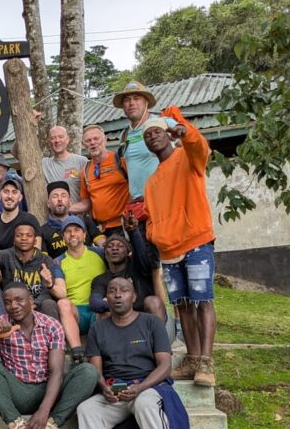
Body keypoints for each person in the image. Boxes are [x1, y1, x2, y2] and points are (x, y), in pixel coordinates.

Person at [78, 277, 194, 429]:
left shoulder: (151, 322)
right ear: (106, 298)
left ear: (134, 297)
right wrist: (104, 388)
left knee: (143, 404)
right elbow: (95, 369)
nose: (118, 295)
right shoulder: (99, 328)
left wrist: (140, 387)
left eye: (124, 291)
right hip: (117, 394)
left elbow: (164, 366)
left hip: (150, 388)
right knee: (86, 409)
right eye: (112, 291)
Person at [143, 116, 218, 388]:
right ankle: (192, 358)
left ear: (169, 135)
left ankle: (207, 363)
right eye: (147, 135)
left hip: (196, 241)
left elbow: (200, 147)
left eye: (156, 131)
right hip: (169, 249)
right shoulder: (151, 182)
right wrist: (154, 234)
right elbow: (150, 217)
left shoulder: (188, 158)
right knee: (183, 306)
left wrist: (185, 131)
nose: (152, 136)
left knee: (203, 300)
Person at [0, 284, 95, 429]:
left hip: (47, 390)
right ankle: (17, 427)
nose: (13, 306)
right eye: (8, 302)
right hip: (18, 391)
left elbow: (57, 372)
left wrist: (44, 411)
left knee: (88, 372)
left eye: (19, 300)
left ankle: (50, 427)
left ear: (31, 301)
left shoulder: (52, 325)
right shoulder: (1, 323)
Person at [0, 221, 84, 362]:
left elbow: (46, 290)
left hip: (36, 308)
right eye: (19, 235)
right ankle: (5, 326)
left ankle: (55, 346)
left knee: (50, 303)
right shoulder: (6, 254)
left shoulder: (45, 260)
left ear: (35, 240)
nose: (24, 238)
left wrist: (33, 305)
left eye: (28, 235)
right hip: (11, 308)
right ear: (14, 239)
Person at [89, 222, 166, 322]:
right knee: (102, 315)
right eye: (110, 246)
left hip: (145, 317)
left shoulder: (139, 267)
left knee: (153, 301)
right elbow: (95, 303)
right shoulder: (100, 279)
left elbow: (141, 254)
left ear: (128, 252)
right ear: (105, 253)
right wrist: (118, 304)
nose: (114, 248)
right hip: (121, 320)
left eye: (120, 246)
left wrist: (133, 231)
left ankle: (159, 336)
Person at [72, 124, 131, 235]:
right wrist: (64, 209)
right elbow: (86, 203)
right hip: (102, 229)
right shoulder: (85, 170)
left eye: (96, 138)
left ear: (105, 139)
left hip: (124, 225)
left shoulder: (120, 160)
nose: (93, 143)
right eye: (88, 141)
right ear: (84, 144)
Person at [55, 215, 107, 338]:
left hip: (99, 309)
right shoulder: (58, 261)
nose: (72, 234)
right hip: (76, 313)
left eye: (77, 230)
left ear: (84, 235)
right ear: (63, 238)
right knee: (63, 303)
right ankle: (77, 351)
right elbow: (61, 292)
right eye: (68, 231)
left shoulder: (100, 253)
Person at [41, 181, 99, 259]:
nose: (60, 199)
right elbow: (43, 260)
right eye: (55, 196)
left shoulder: (84, 221)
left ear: (70, 201)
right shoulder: (42, 231)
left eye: (63, 195)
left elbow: (102, 243)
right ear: (48, 203)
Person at [0, 178, 40, 255]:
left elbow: (37, 254)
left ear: (20, 197)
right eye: (6, 192)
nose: (10, 196)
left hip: (26, 266)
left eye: (14, 192)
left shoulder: (30, 220)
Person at [41, 125, 87, 201]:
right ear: (49, 142)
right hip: (54, 212)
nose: (57, 140)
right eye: (53, 138)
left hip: (78, 211)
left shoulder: (81, 161)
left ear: (67, 139)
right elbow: (18, 154)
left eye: (61, 137)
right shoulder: (44, 163)